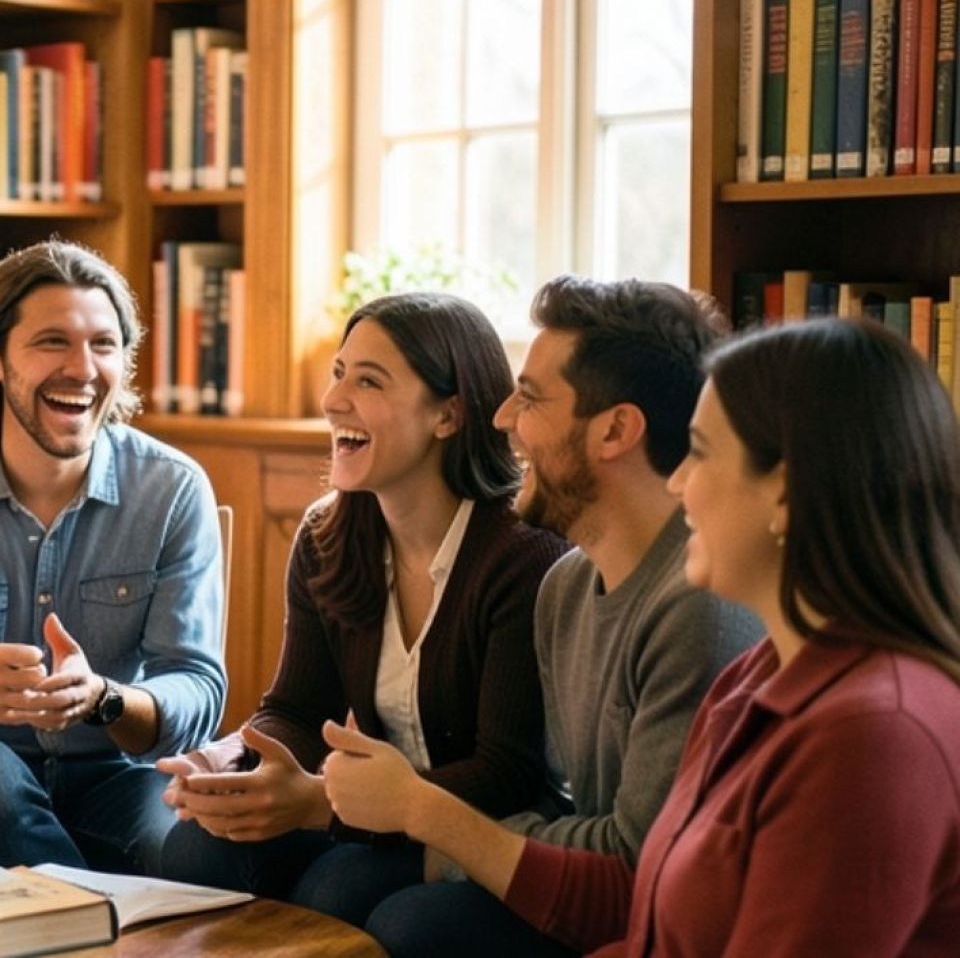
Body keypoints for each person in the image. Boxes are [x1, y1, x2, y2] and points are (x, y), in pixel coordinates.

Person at [324, 315, 960, 954]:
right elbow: (637, 897)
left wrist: (424, 814)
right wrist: (426, 817)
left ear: (785, 494)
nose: (678, 482)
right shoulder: (756, 678)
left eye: (701, 453)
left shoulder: (871, 736)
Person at [322, 277, 763, 957]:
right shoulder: (565, 587)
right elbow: (570, 808)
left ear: (615, 430)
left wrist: (425, 815)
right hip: (590, 884)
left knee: (414, 924)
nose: (501, 418)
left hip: (667, 921)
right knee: (354, 892)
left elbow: (639, 865)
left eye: (528, 398)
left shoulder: (697, 604)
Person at [155, 292, 567, 927]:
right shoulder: (327, 538)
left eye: (368, 381)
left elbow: (505, 773)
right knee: (195, 848)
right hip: (358, 811)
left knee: (337, 889)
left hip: (482, 828)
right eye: (338, 373)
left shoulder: (523, 554)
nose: (333, 400)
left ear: (448, 414)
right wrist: (226, 762)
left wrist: (320, 803)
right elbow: (296, 710)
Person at [0, 239, 226, 874]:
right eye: (53, 342)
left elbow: (195, 687)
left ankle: (66, 910)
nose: (83, 368)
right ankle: (98, 911)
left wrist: (104, 698)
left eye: (104, 344)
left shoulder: (172, 489)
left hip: (115, 779)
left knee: (192, 848)